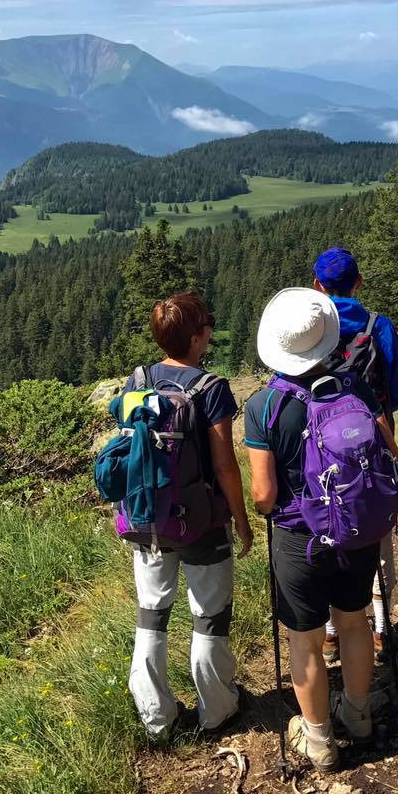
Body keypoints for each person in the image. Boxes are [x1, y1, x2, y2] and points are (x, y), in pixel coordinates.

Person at [245, 288, 398, 772]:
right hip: (354, 528)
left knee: (305, 639)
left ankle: (318, 742)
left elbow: (264, 495)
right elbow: (390, 455)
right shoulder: (354, 388)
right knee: (354, 622)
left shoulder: (265, 405)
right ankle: (357, 716)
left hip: (298, 537)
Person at [126, 292, 254, 738]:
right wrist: (240, 519)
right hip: (202, 521)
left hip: (147, 521)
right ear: (198, 337)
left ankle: (157, 718)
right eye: (208, 325)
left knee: (151, 614)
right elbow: (224, 465)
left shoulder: (137, 380)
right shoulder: (211, 388)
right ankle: (216, 710)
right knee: (209, 615)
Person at [311, 247, 398, 662]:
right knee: (376, 522)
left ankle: (331, 632)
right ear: (359, 282)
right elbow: (395, 394)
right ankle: (382, 628)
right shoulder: (377, 326)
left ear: (317, 286)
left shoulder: (311, 328)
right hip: (374, 435)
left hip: (319, 442)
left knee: (326, 520)